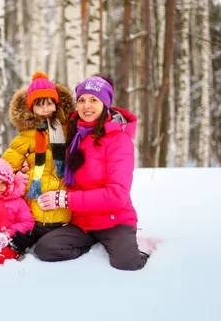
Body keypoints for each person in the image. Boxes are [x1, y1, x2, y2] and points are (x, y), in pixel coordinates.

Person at [34, 76, 157, 271]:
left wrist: (65, 199)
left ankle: (139, 246)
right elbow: (50, 159)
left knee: (127, 263)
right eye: (82, 100)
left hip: (115, 219)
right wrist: (28, 167)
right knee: (46, 249)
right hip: (83, 220)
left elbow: (117, 195)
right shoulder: (73, 132)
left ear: (105, 103)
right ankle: (91, 245)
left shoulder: (119, 139)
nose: (86, 106)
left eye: (94, 100)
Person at [2, 72, 75, 253]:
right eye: (40, 105)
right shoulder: (27, 134)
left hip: (62, 187)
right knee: (35, 223)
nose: (46, 109)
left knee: (60, 217)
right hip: (37, 189)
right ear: (31, 108)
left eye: (49, 103)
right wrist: (8, 174)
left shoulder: (67, 128)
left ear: (56, 103)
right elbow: (12, 159)